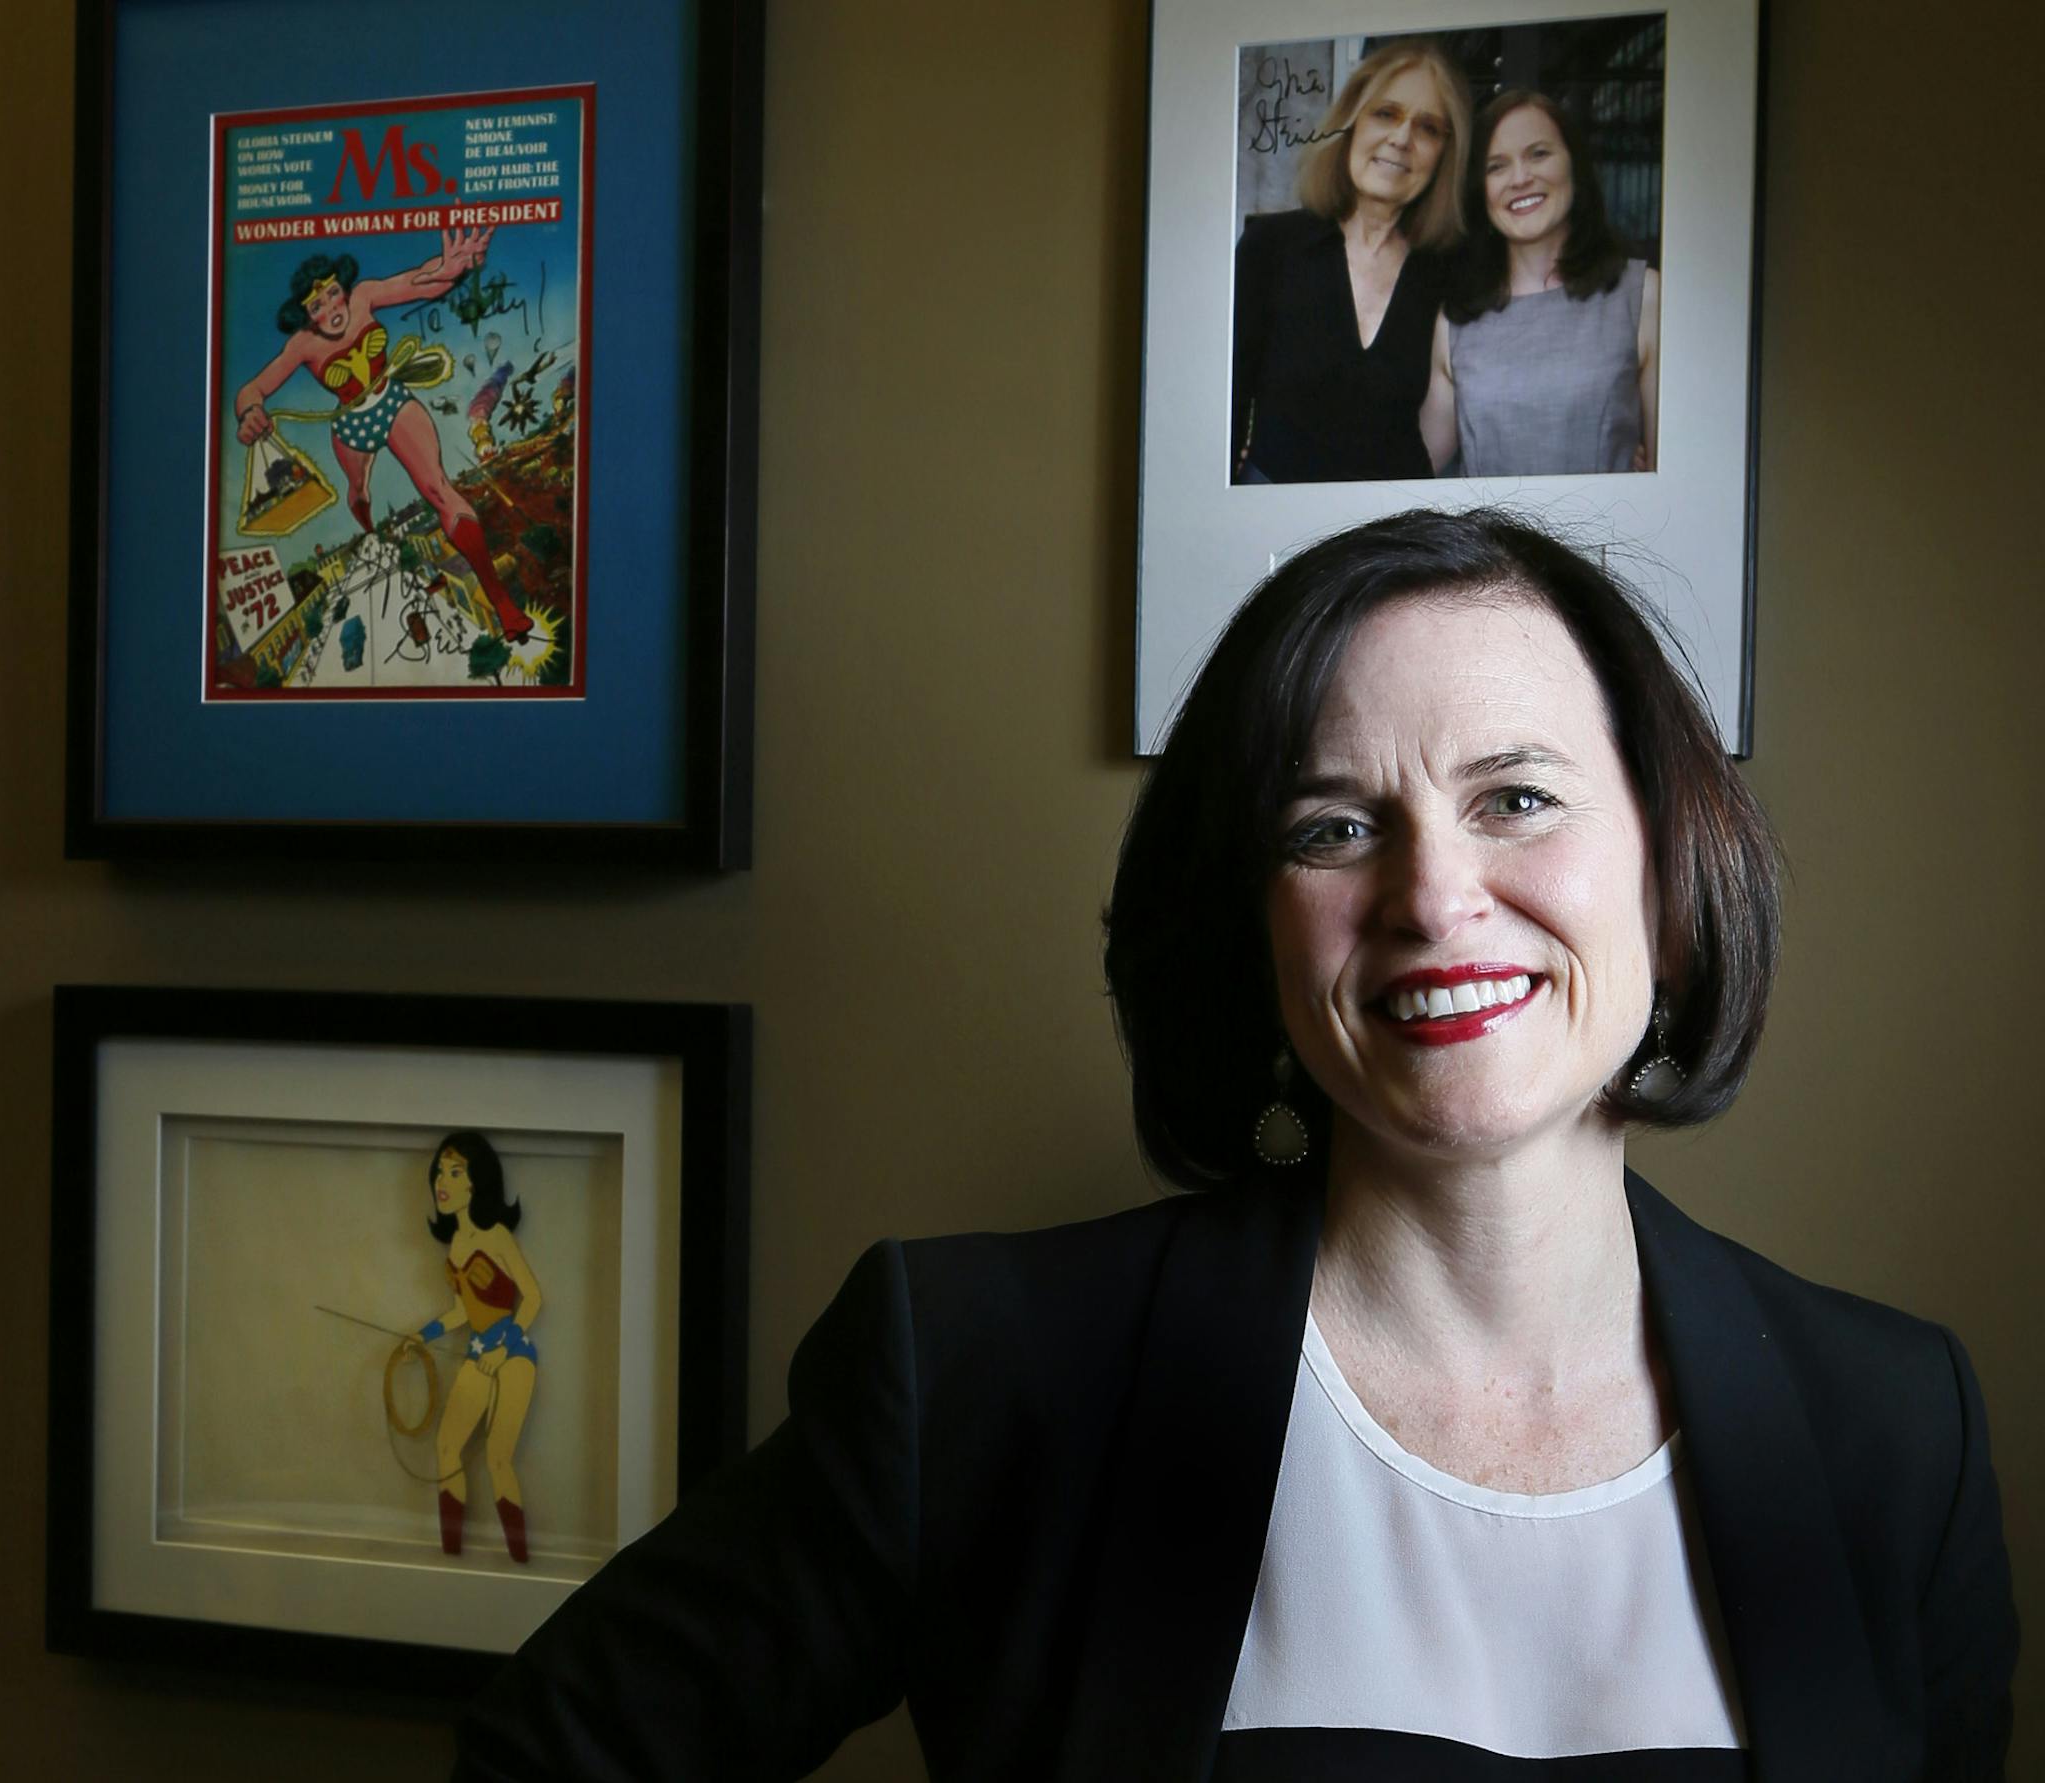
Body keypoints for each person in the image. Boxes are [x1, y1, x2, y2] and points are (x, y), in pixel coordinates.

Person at [450, 511, 2016, 1778]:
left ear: (1672, 873)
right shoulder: (982, 1372)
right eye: (1334, 825)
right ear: (1255, 930)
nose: (1432, 893)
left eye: (1518, 797)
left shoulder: (1898, 1429)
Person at [234, 233, 536, 642]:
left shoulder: (364, 297)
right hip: (351, 425)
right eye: (317, 305)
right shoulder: (301, 346)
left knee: (439, 488)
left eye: (333, 293)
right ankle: (363, 506)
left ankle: (502, 604)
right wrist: (250, 414)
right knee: (357, 489)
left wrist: (455, 265)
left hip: (392, 401)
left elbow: (423, 281)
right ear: (307, 314)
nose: (332, 308)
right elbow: (250, 391)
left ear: (343, 287)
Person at [1230, 44, 1472, 484]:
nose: (1401, 138)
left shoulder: (1453, 272)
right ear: (1351, 123)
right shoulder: (1270, 246)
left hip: (1392, 532)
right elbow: (1223, 402)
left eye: (1428, 127)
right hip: (1266, 520)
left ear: (1444, 155)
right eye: (1385, 113)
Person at [1420, 91, 1661, 477]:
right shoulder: (1454, 321)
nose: (1520, 178)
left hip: (1609, 535)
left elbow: (1678, 474)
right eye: (1496, 166)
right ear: (1479, 191)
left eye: (1538, 154)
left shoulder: (1643, 295)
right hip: (1486, 539)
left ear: (1574, 166)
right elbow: (1414, 467)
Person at [410, 1131, 544, 1564]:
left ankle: (520, 1560)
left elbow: (534, 1298)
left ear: (476, 1182)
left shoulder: (499, 1236)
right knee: (447, 1446)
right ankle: (451, 1557)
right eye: (439, 1172)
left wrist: (502, 1350)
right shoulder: (456, 1246)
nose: (441, 1182)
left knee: (497, 1458)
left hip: (513, 1353)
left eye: (454, 1171)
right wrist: (423, 1335)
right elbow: (461, 1313)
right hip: (478, 1351)